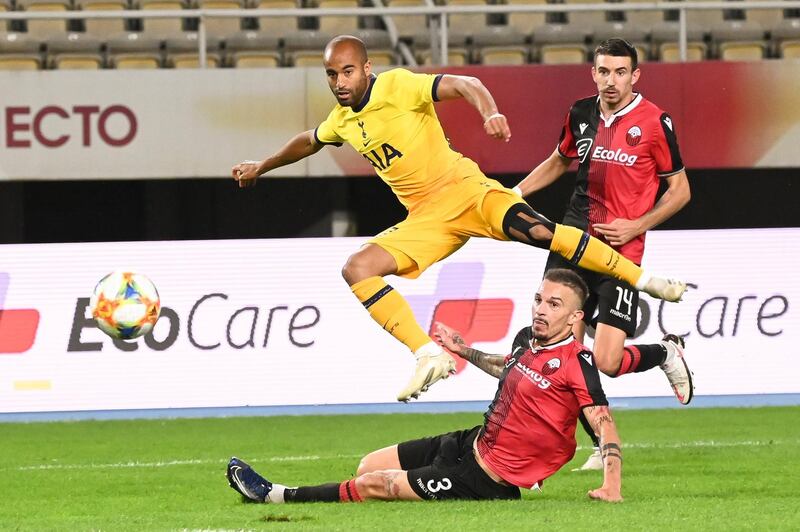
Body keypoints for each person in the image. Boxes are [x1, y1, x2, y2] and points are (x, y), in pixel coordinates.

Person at [231, 34, 686, 402]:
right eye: (332, 74)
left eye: (348, 70)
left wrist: (490, 111)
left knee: (539, 232)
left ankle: (642, 279)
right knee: (357, 268)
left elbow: (464, 82)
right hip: (427, 219)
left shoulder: (398, 86)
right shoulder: (342, 119)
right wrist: (261, 166)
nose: (340, 80)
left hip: (467, 191)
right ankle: (429, 356)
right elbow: (309, 140)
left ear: (367, 68)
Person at [226, 269, 623, 504]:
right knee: (368, 465)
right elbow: (510, 368)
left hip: (485, 479)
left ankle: (276, 494)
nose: (540, 308)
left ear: (575, 318)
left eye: (554, 304)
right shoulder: (527, 340)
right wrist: (462, 350)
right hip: (471, 442)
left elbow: (603, 423)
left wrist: (611, 484)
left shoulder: (579, 365)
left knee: (375, 485)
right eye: (538, 299)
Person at [512, 39, 693, 470]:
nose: (611, 81)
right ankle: (597, 441)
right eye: (603, 72)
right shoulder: (580, 113)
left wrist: (637, 224)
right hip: (572, 242)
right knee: (559, 353)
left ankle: (666, 354)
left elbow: (681, 190)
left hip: (621, 253)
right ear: (593, 73)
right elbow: (558, 161)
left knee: (608, 362)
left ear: (635, 76)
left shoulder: (654, 121)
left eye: (619, 72)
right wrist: (511, 194)